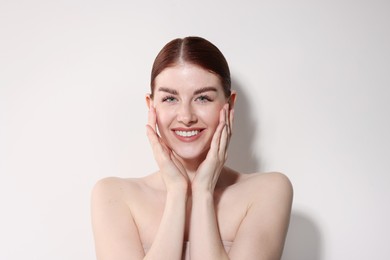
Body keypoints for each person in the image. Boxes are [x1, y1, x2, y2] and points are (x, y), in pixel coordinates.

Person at [91, 36, 293, 260]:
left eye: (203, 98)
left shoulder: (267, 191)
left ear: (229, 104)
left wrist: (203, 191)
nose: (186, 117)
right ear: (151, 106)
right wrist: (177, 192)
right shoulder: (114, 196)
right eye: (170, 99)